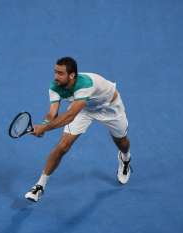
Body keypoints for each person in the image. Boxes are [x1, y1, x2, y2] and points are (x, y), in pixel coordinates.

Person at [25, 56, 132, 202]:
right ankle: (40, 185)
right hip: (84, 109)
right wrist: (44, 124)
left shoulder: (85, 84)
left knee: (122, 142)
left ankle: (125, 158)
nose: (56, 76)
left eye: (60, 73)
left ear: (72, 75)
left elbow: (69, 116)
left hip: (109, 108)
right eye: (55, 72)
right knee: (62, 146)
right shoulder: (54, 86)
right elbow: (52, 113)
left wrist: (44, 129)